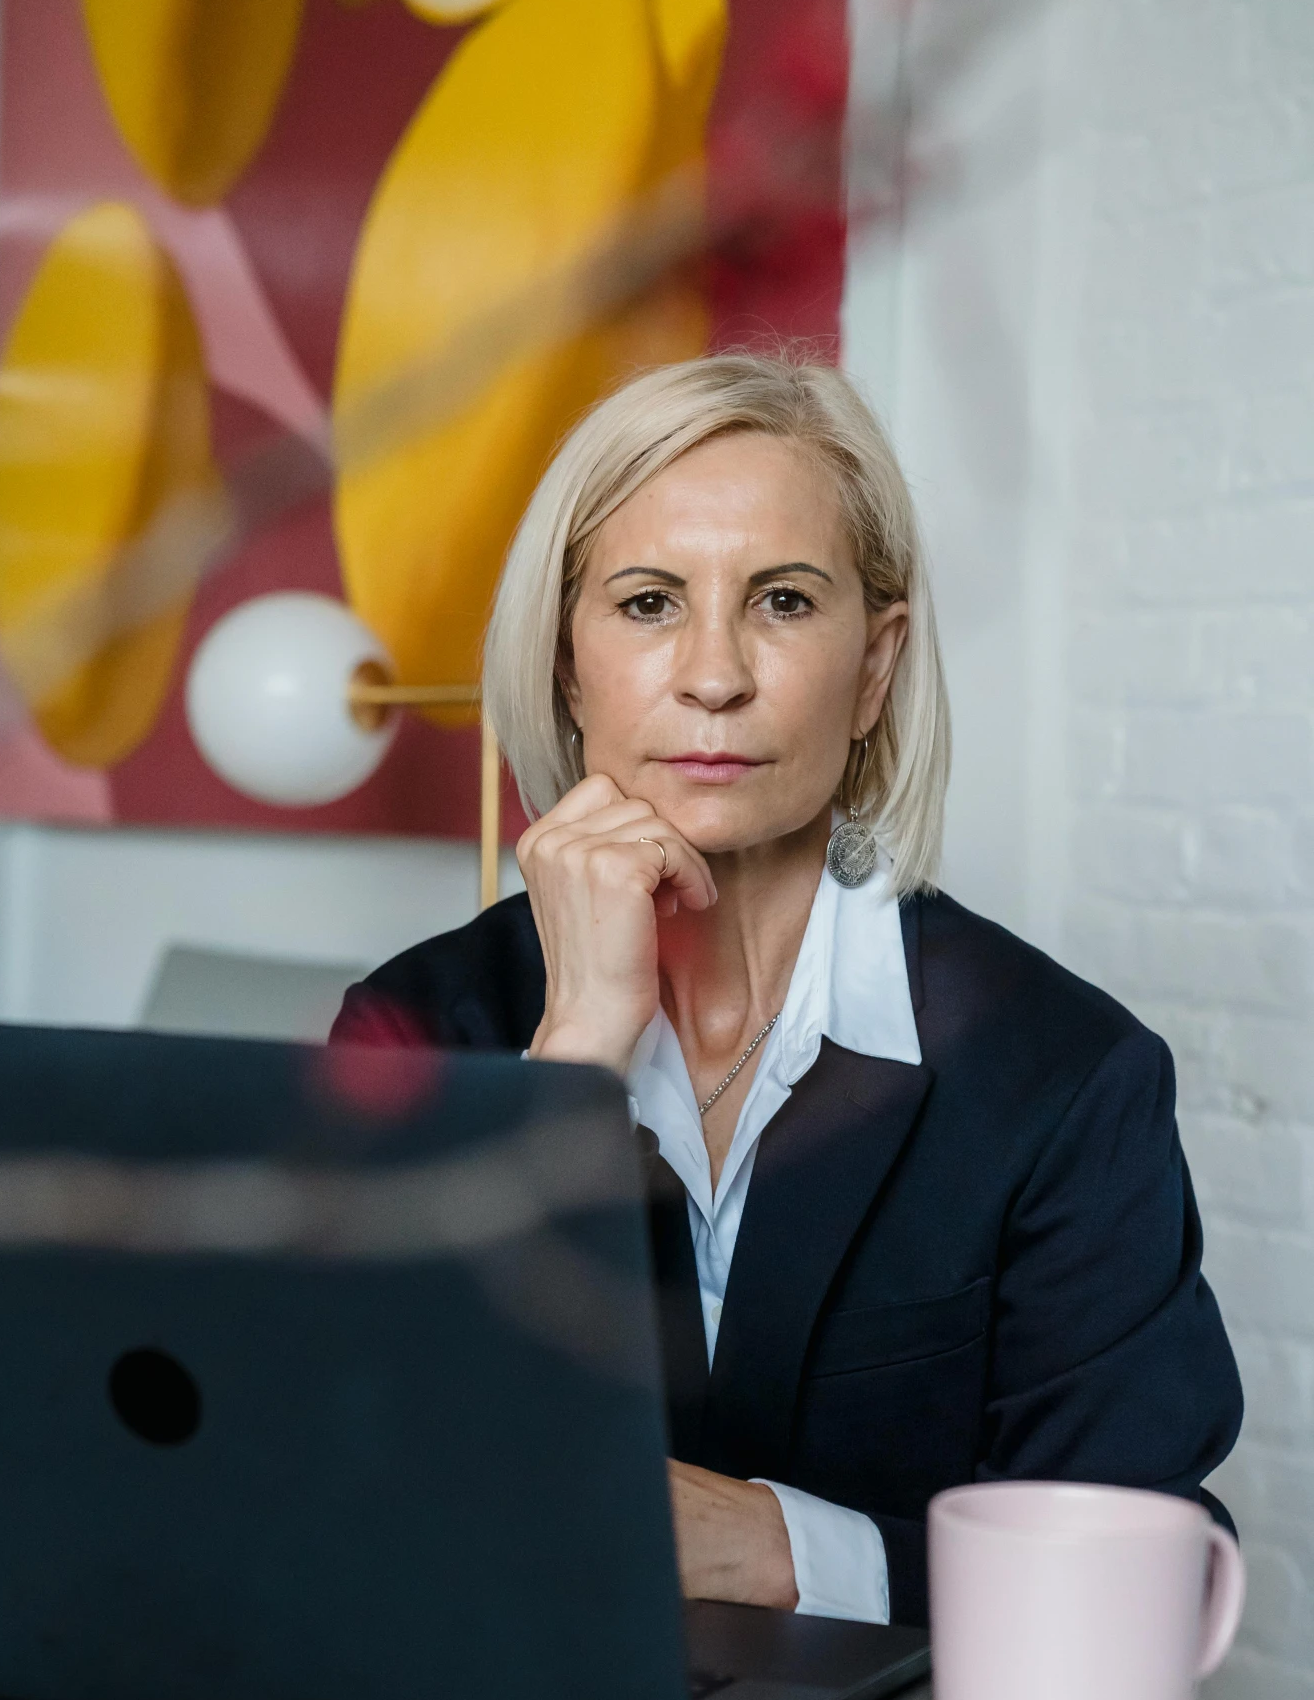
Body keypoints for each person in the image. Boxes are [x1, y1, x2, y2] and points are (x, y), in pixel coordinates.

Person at [331, 351, 1242, 1629]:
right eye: (648, 603)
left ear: (873, 670)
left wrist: (778, 1548)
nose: (714, 674)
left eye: (782, 602)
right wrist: (580, 1042)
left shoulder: (1062, 1074)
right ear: (564, 664)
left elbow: (1154, 1561)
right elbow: (339, 1472)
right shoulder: (417, 1023)